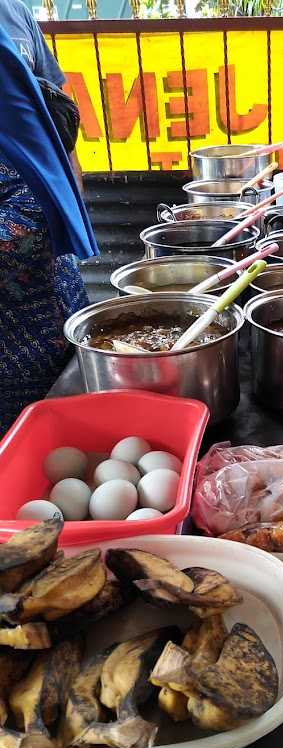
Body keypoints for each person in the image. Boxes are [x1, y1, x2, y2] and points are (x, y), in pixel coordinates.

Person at [0, 6, 97, 437]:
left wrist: (70, 202)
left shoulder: (13, 11)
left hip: (52, 262)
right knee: (19, 433)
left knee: (73, 382)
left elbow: (53, 108)